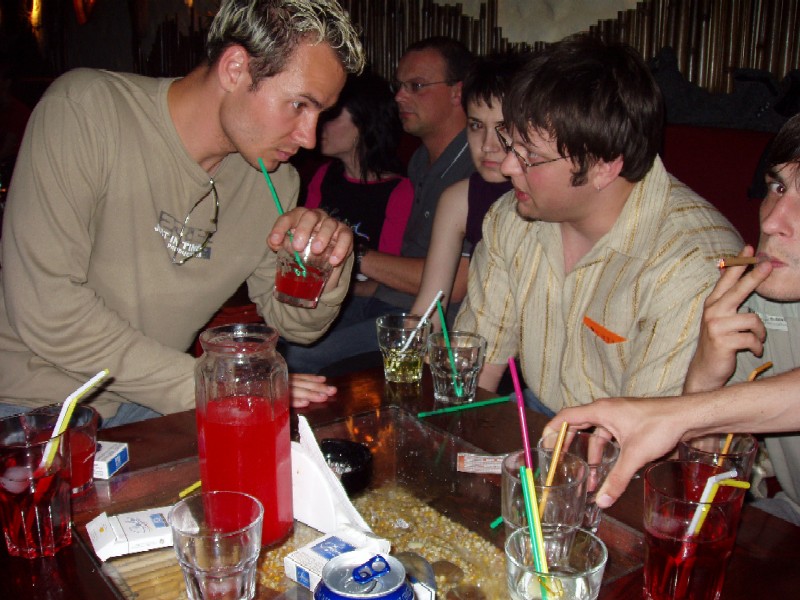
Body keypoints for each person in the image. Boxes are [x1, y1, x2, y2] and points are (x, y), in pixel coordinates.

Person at [0, 0, 365, 426]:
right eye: (300, 104)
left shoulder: (276, 179)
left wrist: (325, 265)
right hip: (29, 407)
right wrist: (218, 384)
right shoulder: (86, 110)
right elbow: (48, 307)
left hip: (151, 408)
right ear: (235, 69)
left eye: (321, 113)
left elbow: (296, 325)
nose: (309, 138)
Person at [454, 34, 742, 415]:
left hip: (632, 440)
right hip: (539, 417)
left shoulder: (690, 265)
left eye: (530, 157)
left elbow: (648, 434)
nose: (508, 167)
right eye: (511, 144)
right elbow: (472, 376)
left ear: (604, 167)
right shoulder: (513, 219)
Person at [546, 112, 800, 525]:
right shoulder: (761, 300)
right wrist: (705, 374)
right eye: (778, 187)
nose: (772, 221)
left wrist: (675, 414)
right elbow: (701, 490)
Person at [282, 36, 475, 374]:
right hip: (383, 301)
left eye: (416, 86)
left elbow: (456, 284)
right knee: (283, 333)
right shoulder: (420, 161)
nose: (399, 96)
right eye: (398, 86)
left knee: (299, 355)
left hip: (433, 322)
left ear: (457, 93)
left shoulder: (476, 166)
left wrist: (348, 251)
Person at [409, 52, 521, 325]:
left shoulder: (553, 199)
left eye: (504, 128)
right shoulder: (459, 199)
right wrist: (408, 344)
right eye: (476, 125)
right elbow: (429, 311)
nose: (487, 145)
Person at [304, 72, 413, 259]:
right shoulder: (324, 174)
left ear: (363, 123)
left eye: (331, 116)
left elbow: (390, 267)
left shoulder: (399, 191)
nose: (318, 124)